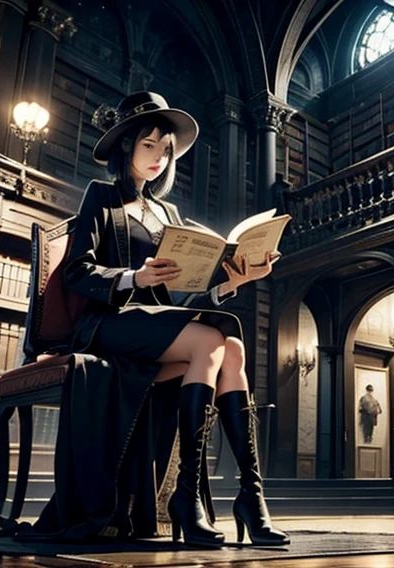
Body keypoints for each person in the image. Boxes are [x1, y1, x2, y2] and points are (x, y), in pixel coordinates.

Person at [38, 92, 288, 547]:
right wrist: (134, 275)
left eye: (166, 149)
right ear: (127, 146)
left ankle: (249, 497)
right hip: (108, 323)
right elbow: (77, 272)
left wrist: (235, 279)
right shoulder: (102, 196)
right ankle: (188, 497)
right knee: (214, 342)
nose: (158, 157)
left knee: (229, 345)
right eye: (149, 145)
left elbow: (180, 294)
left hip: (154, 324)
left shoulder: (168, 214)